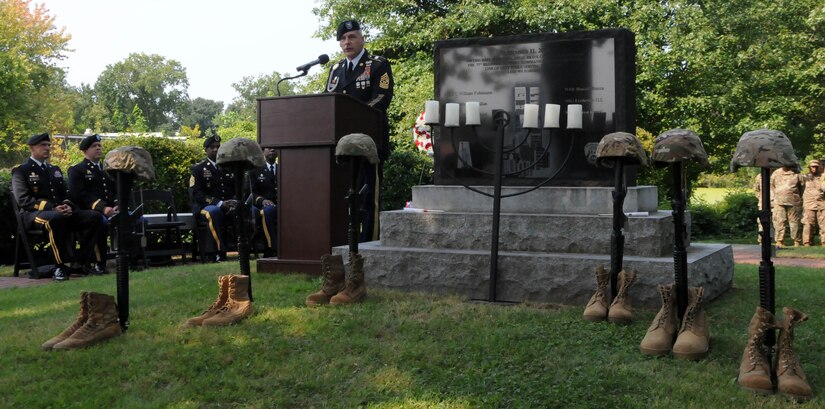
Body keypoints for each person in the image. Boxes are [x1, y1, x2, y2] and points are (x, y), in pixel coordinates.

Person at [324, 19, 394, 242]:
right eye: (343, 39)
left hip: (368, 141)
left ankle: (369, 241)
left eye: (352, 37)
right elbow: (328, 102)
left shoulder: (378, 64)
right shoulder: (336, 70)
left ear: (362, 39)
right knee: (345, 195)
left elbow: (382, 97)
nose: (347, 42)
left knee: (368, 196)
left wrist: (354, 118)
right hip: (340, 144)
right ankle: (345, 239)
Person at [11, 133, 104, 280]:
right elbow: (24, 200)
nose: (47, 148)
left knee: (94, 217)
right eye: (43, 145)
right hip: (33, 215)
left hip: (59, 212)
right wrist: (51, 208)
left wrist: (67, 205)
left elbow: (66, 194)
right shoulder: (21, 171)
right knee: (55, 219)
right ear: (32, 148)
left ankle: (80, 262)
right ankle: (58, 267)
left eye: (48, 145)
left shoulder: (54, 170)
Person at [67, 133, 115, 274]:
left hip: (112, 210)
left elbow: (114, 190)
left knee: (136, 219)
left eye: (100, 145)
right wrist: (102, 208)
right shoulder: (77, 170)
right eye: (94, 146)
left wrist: (116, 205)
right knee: (100, 221)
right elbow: (79, 195)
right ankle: (100, 264)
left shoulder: (107, 170)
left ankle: (132, 261)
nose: (98, 148)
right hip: (91, 212)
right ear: (85, 150)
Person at [190, 134, 237, 262]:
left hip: (227, 205)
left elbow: (235, 188)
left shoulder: (227, 167)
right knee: (214, 212)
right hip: (204, 207)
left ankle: (243, 249)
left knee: (242, 209)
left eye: (218, 147)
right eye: (212, 147)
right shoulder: (198, 169)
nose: (216, 149)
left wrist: (233, 201)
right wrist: (219, 203)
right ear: (206, 149)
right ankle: (218, 253)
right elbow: (197, 194)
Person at [248, 145, 278, 256]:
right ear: (262, 151)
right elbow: (250, 192)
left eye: (275, 147)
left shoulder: (284, 168)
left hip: (282, 204)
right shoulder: (255, 170)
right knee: (267, 211)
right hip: (264, 205)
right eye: (268, 147)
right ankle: (271, 248)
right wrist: (262, 200)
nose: (273, 149)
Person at [770, 165, 804, 248]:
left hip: (793, 202)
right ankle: (779, 241)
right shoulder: (776, 173)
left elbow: (802, 187)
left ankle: (797, 241)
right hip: (779, 202)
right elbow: (772, 186)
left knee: (794, 222)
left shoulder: (796, 173)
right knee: (780, 222)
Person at [801, 160, 825, 246]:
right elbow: (798, 189)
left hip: (822, 204)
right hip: (809, 204)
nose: (814, 168)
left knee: (823, 224)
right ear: (809, 168)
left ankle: (823, 242)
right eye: (812, 167)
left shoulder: (823, 178)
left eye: (816, 167)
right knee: (808, 224)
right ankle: (807, 242)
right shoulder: (804, 178)